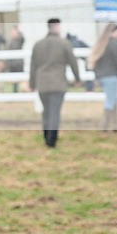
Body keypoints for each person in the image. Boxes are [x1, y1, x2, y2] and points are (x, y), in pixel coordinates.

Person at [29, 18, 80, 148]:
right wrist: (77, 78)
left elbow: (33, 66)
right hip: (58, 83)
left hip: (42, 84)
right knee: (54, 112)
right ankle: (52, 140)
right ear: (57, 27)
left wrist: (32, 83)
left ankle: (46, 136)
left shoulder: (38, 44)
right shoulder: (64, 43)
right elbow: (73, 62)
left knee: (46, 111)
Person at [87, 23, 117, 131]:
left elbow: (95, 63)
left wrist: (97, 77)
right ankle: (104, 126)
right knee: (111, 100)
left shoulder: (101, 44)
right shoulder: (113, 44)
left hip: (103, 76)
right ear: (113, 32)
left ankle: (115, 124)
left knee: (113, 99)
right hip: (111, 76)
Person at [7, 25, 25, 92]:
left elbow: (23, 38)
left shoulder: (19, 40)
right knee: (14, 80)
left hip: (18, 63)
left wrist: (19, 31)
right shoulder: (11, 41)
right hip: (12, 63)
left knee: (19, 79)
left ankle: (21, 92)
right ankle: (15, 92)